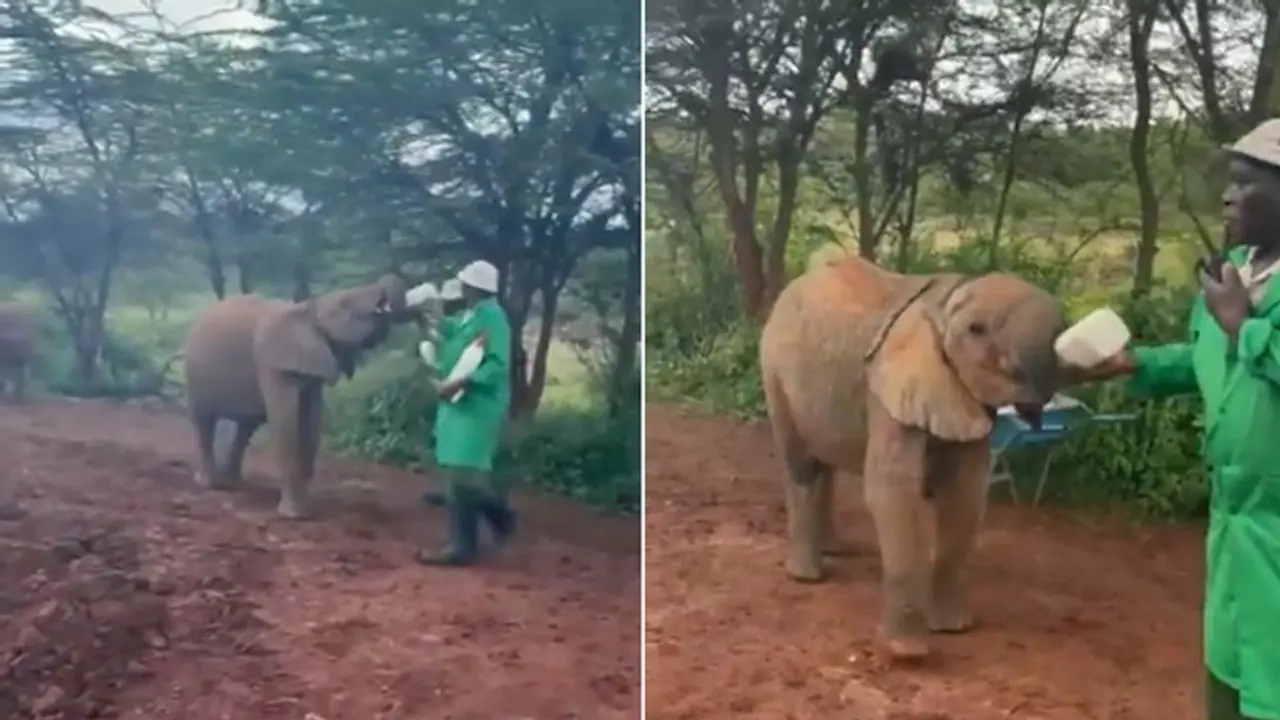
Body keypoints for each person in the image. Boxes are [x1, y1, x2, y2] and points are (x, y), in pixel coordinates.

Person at [1082, 118, 1280, 720]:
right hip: (1234, 524)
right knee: (1230, 671)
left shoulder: (1235, 299)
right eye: (1228, 181)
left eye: (1247, 184)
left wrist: (1241, 323)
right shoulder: (1235, 276)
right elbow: (1209, 365)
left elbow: (1247, 345)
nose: (1227, 195)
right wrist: (1133, 363)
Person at [416, 259, 517, 566]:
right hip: (459, 400)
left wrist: (465, 381)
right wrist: (429, 319)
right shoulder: (471, 314)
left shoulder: (493, 318)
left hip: (477, 402)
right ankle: (500, 516)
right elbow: (451, 333)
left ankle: (462, 547)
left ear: (475, 287)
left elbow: (497, 364)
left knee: (462, 473)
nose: (460, 286)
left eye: (464, 283)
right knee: (459, 470)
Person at [420, 278, 466, 508]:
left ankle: (487, 504)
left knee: (462, 448)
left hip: (466, 390)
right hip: (451, 388)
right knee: (448, 442)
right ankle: (450, 491)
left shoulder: (468, 325)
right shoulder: (456, 325)